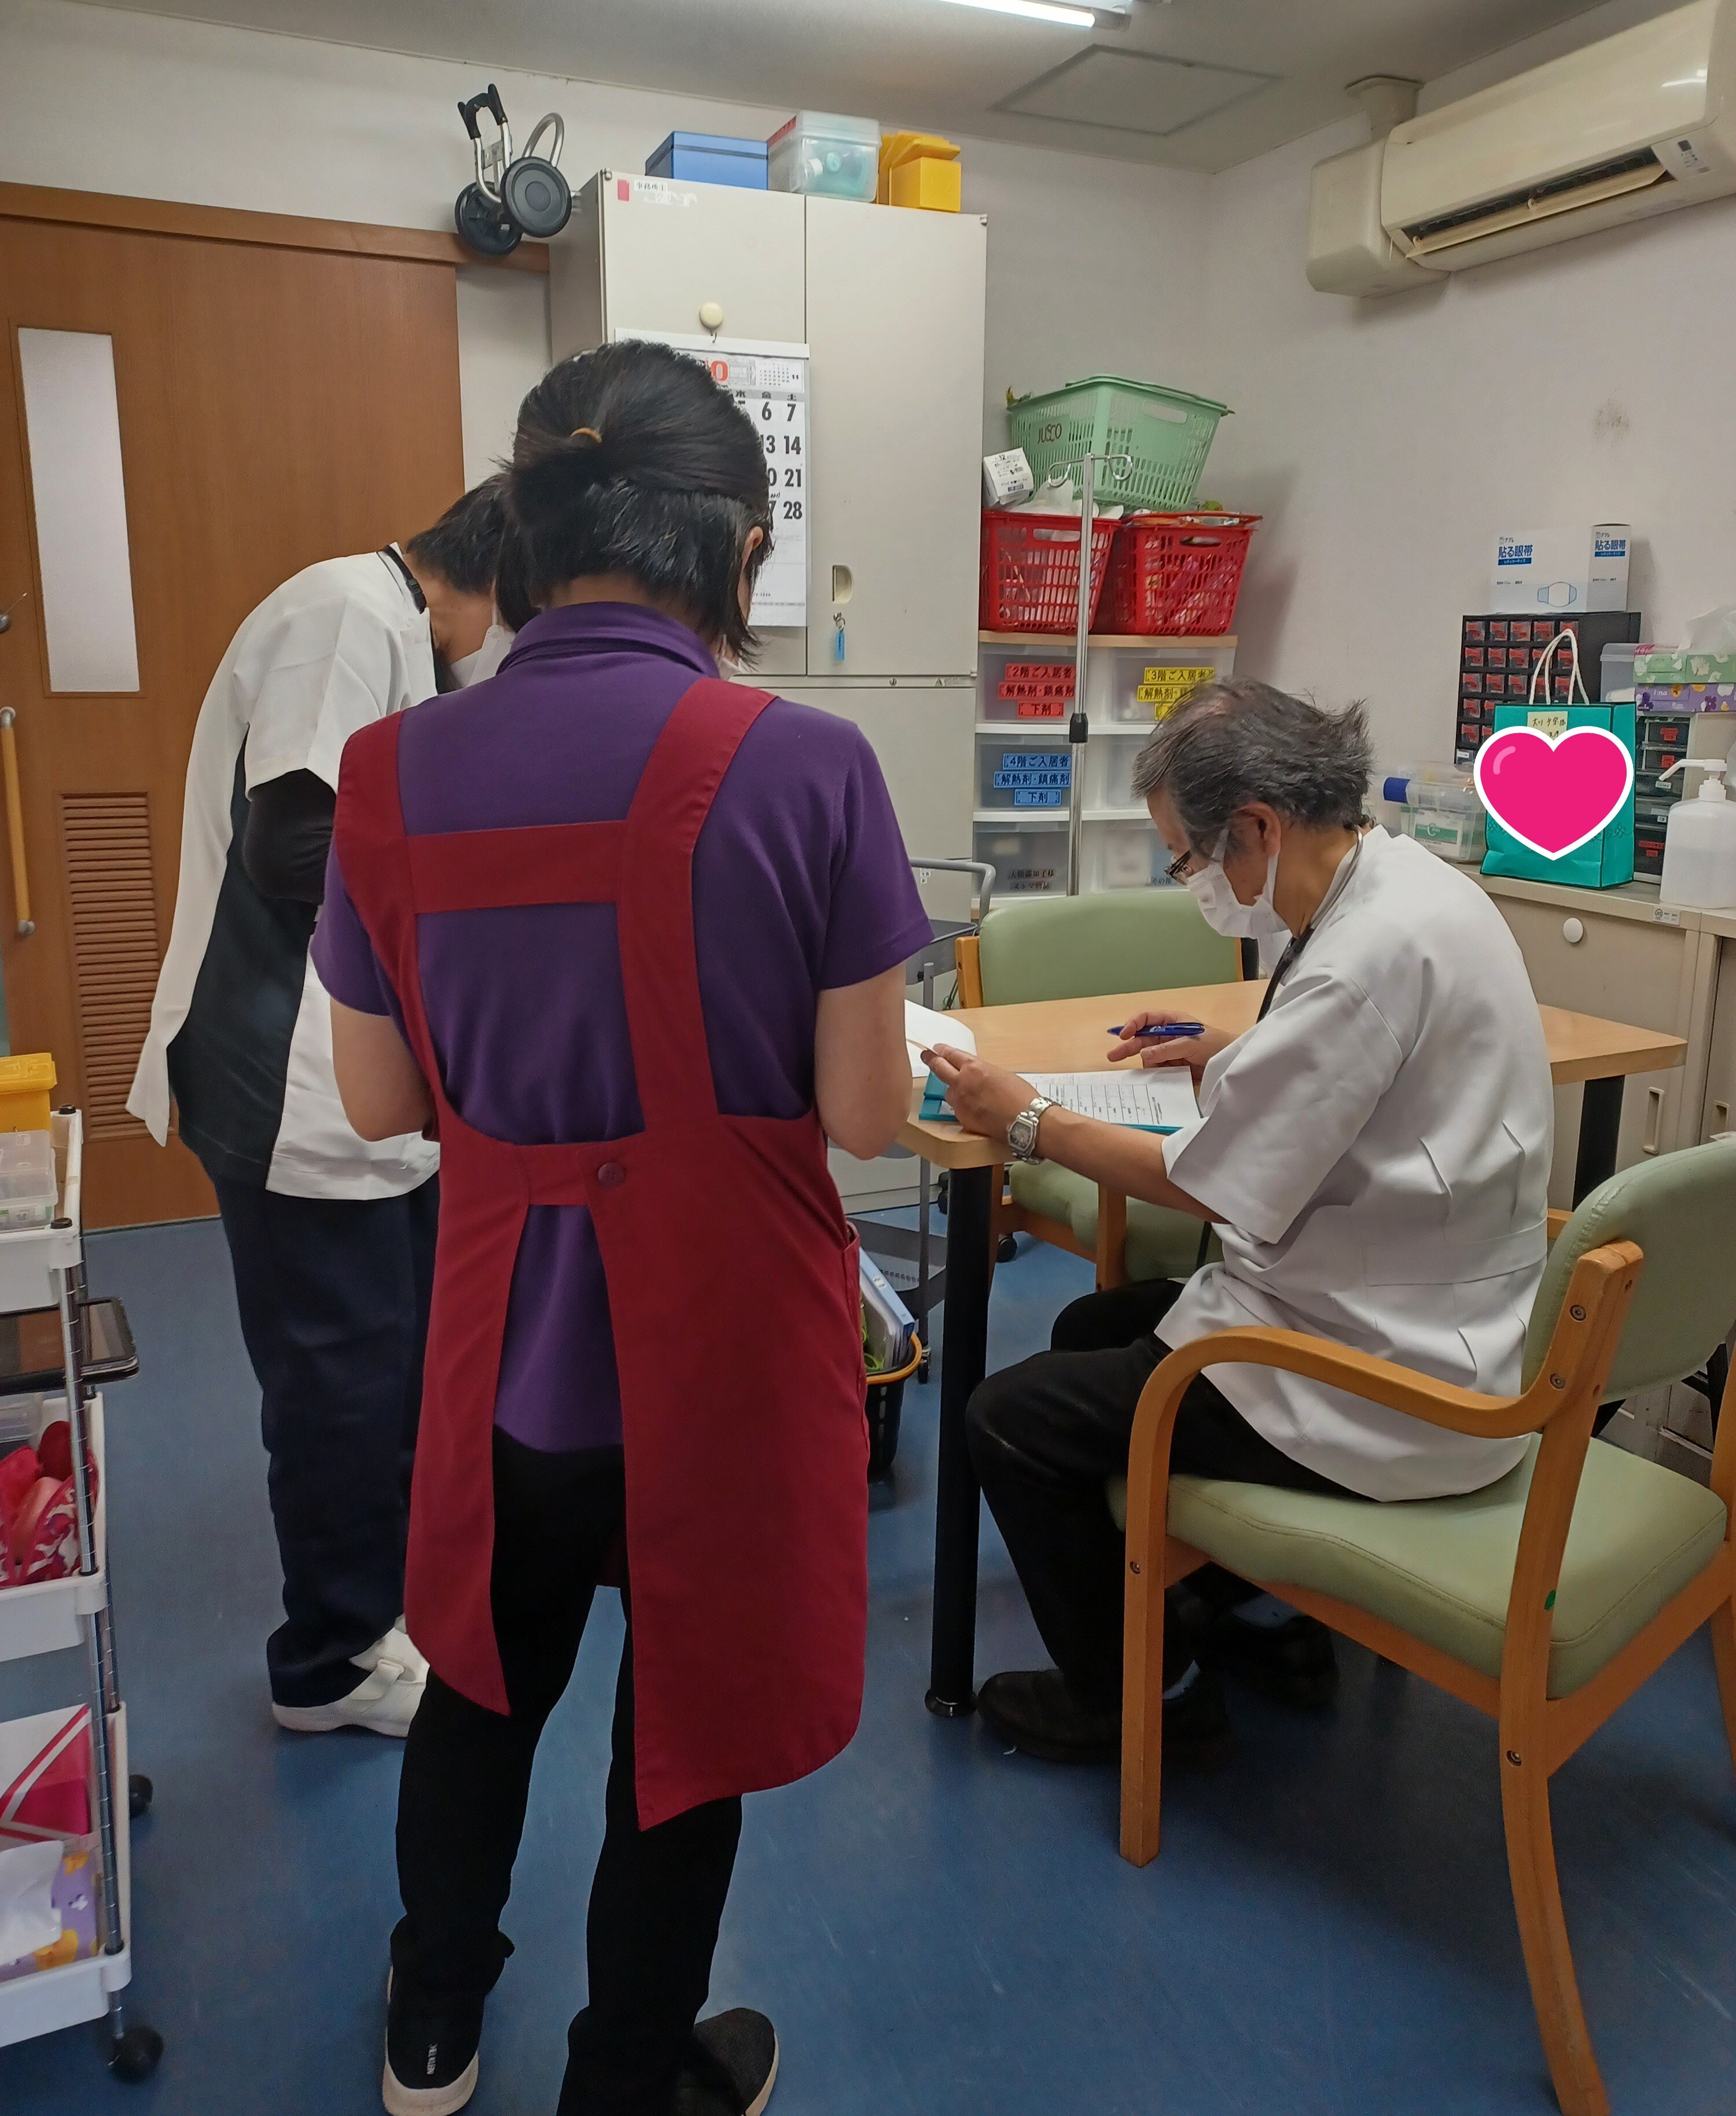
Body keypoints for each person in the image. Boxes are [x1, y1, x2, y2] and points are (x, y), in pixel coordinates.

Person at [314, 338, 926, 2116]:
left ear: (524, 529)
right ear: (740, 551)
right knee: (687, 1728)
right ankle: (628, 2075)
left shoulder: (388, 771)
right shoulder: (810, 767)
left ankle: (432, 2029)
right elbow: (868, 1115)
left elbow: (378, 1102)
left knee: (481, 1684)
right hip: (720, 1360)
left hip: (508, 1352)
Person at [922, 679, 1553, 1771]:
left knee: (1007, 1421)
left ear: (1257, 826)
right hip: (1443, 1318)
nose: (1193, 884)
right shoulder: (1409, 889)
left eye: (1186, 859)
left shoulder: (1358, 958)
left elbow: (1208, 1187)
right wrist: (1234, 1056)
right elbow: (1372, 1079)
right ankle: (1268, 1620)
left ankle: (1144, 1699)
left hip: (1383, 1376)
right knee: (1092, 1328)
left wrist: (1027, 1120)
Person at [128, 481, 508, 1739]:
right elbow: (295, 848)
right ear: (494, 581)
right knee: (339, 1383)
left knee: (393, 1368)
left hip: (352, 1075)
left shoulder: (396, 628)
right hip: (288, 1072)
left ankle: (378, 1612)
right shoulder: (348, 614)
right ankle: (326, 1664)